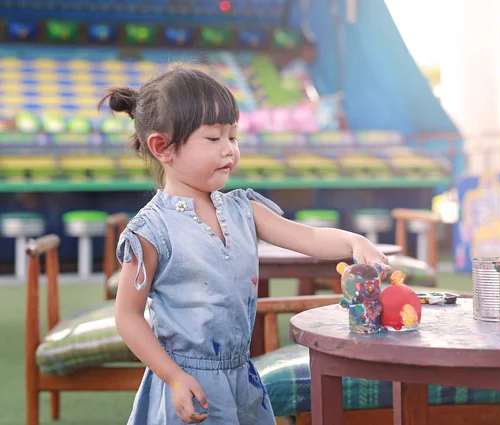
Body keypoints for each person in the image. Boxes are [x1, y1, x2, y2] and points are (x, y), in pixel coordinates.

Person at [100, 63, 391, 425]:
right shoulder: (151, 230)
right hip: (190, 387)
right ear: (163, 148)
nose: (229, 151)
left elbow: (309, 238)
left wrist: (354, 241)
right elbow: (127, 316)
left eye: (233, 137)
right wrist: (173, 376)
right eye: (213, 138)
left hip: (240, 377)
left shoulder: (242, 208)